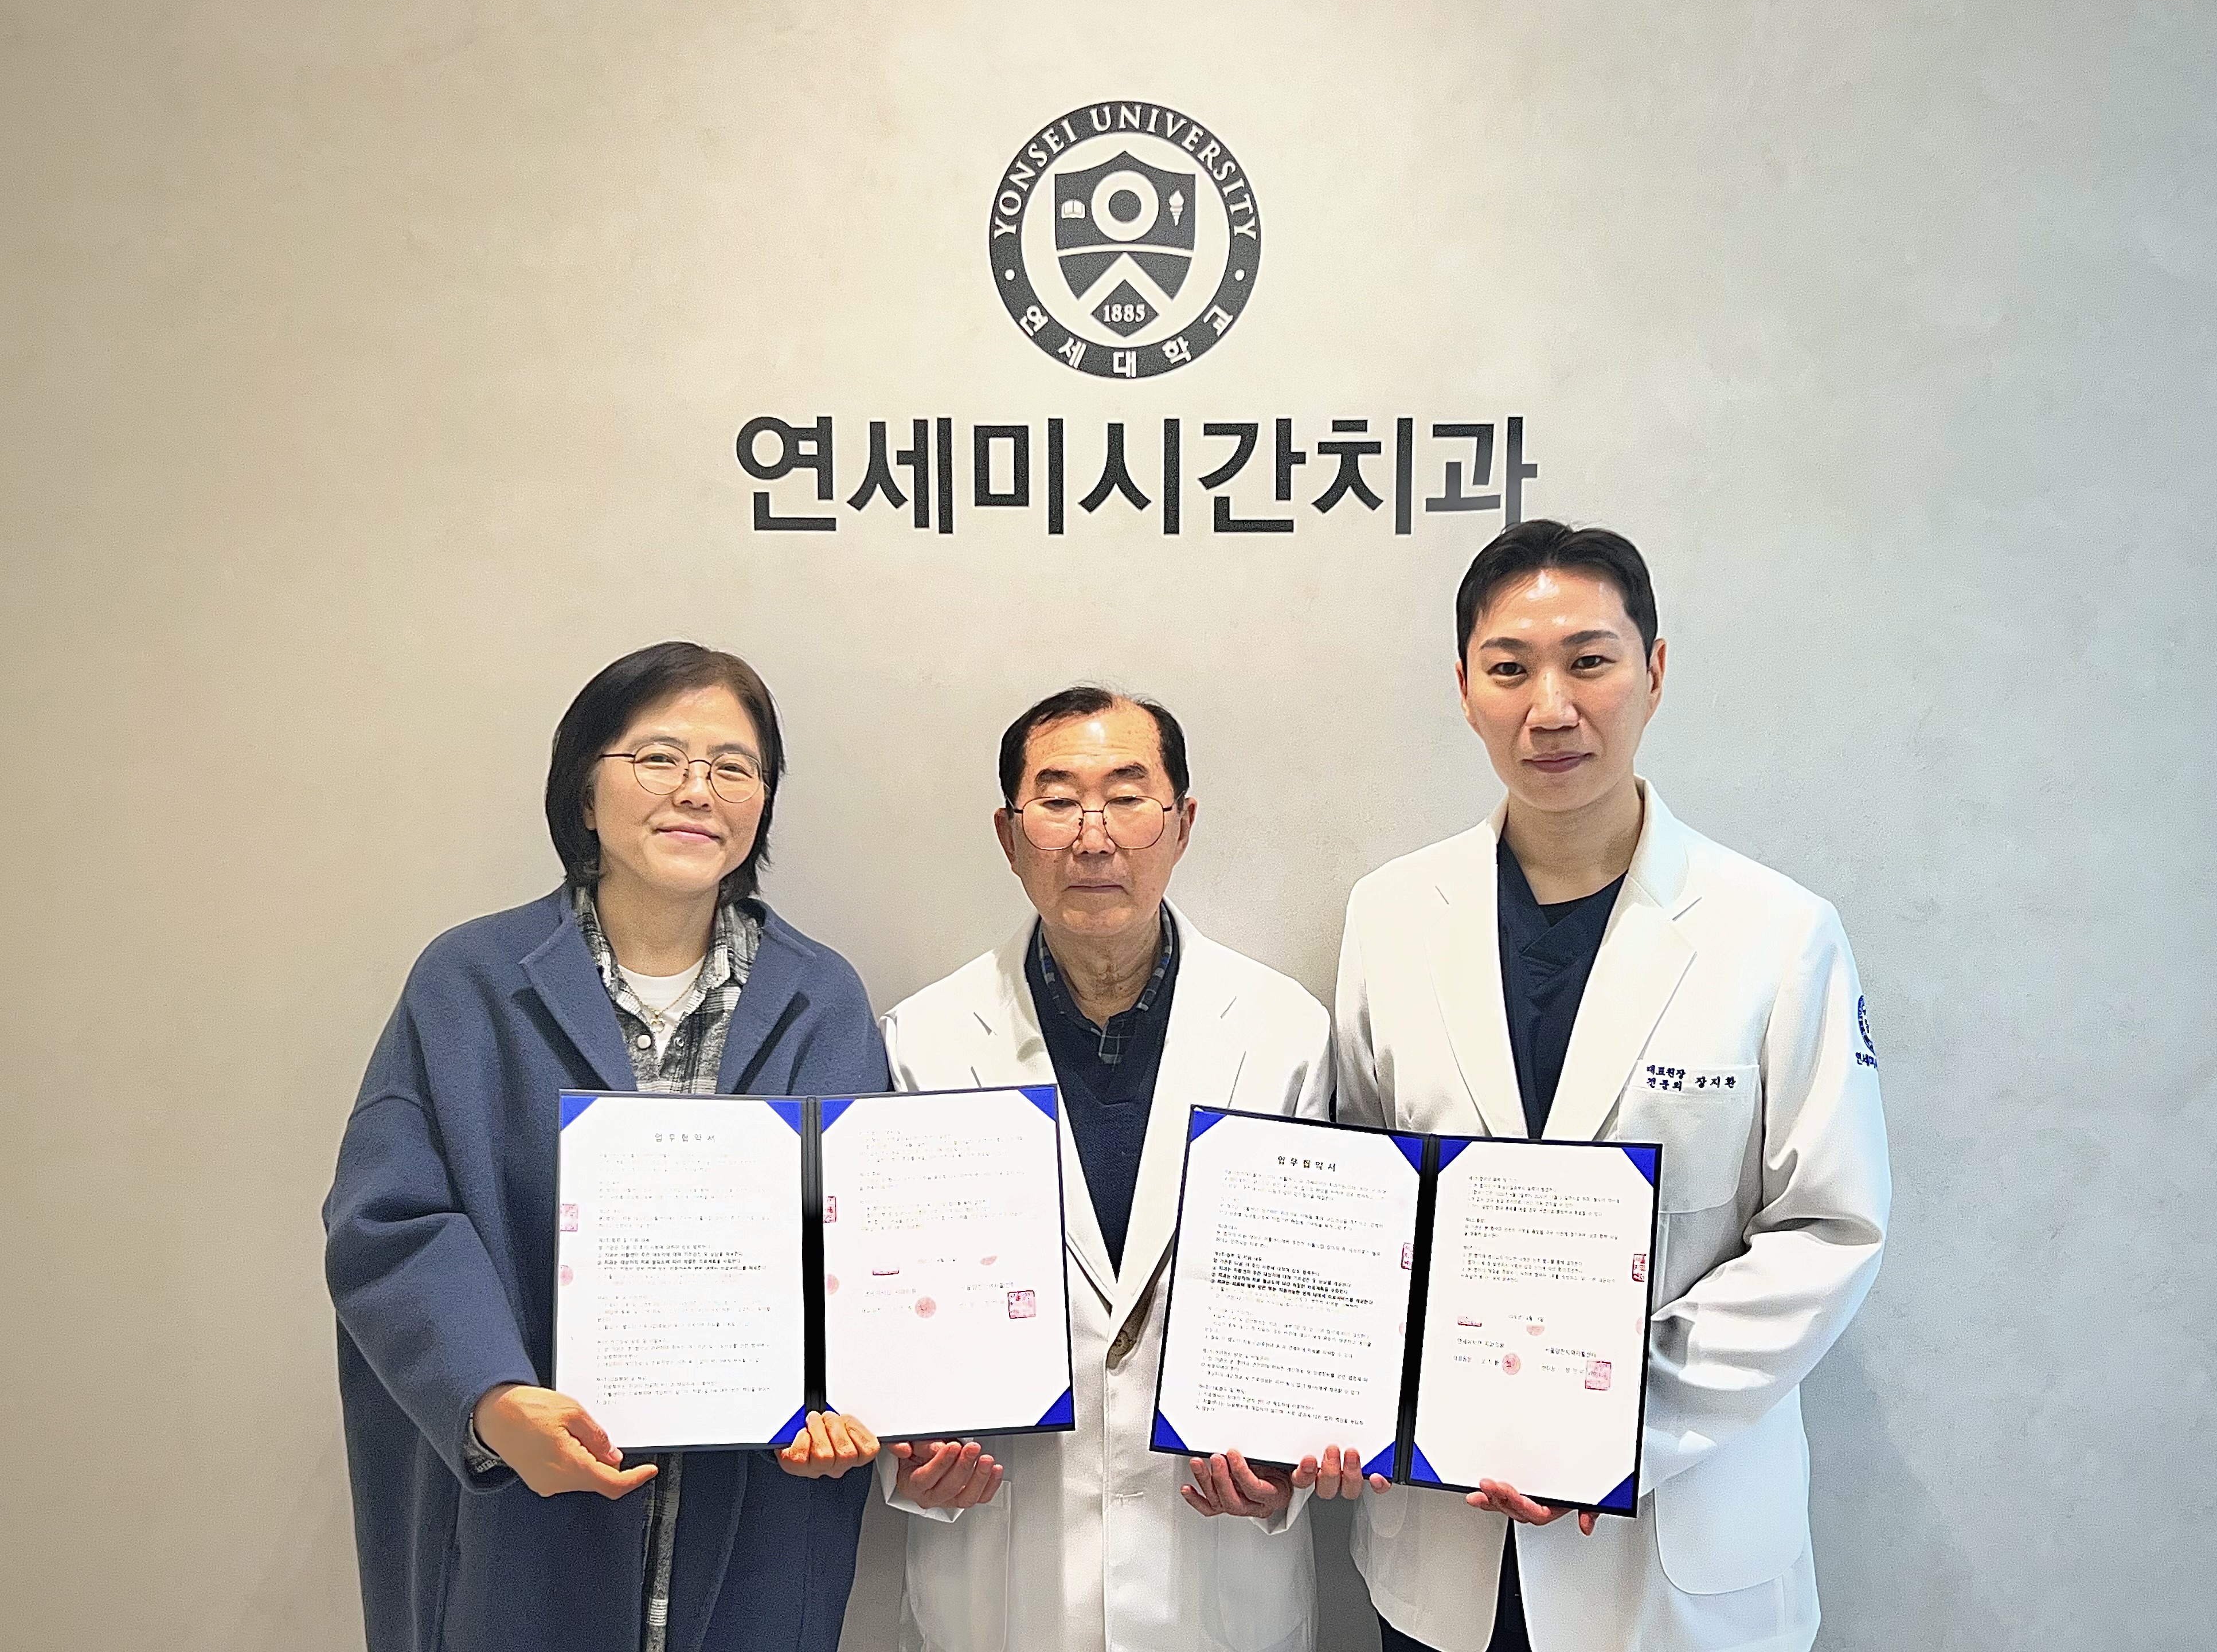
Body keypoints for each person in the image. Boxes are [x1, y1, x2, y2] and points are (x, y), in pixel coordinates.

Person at [1333, 522, 1892, 1652]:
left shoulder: (1779, 934)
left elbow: (1830, 1228)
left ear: (1656, 671)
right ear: (1465, 689)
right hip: (1446, 1546)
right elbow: (1360, 1199)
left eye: (1589, 661)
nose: (1551, 708)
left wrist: (1616, 1422)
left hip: (1675, 1551)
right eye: (1510, 668)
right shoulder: (1390, 915)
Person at [324, 641, 890, 1652]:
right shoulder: (471, 981)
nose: (697, 791)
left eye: (733, 766)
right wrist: (494, 1403)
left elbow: (862, 1243)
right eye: (659, 757)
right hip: (524, 1515)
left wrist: (843, 1402)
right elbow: (389, 1222)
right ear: (585, 791)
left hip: (754, 1516)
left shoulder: (824, 997)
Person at [869, 686, 1342, 1652]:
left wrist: (1285, 1468)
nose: (1094, 838)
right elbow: (890, 1309)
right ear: (1009, 835)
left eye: (1128, 798)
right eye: (1057, 801)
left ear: (1183, 824)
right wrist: (904, 1457)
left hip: (1214, 1580)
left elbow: (1317, 1303)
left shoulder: (1284, 1035)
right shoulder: (923, 1042)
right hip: (1003, 1579)